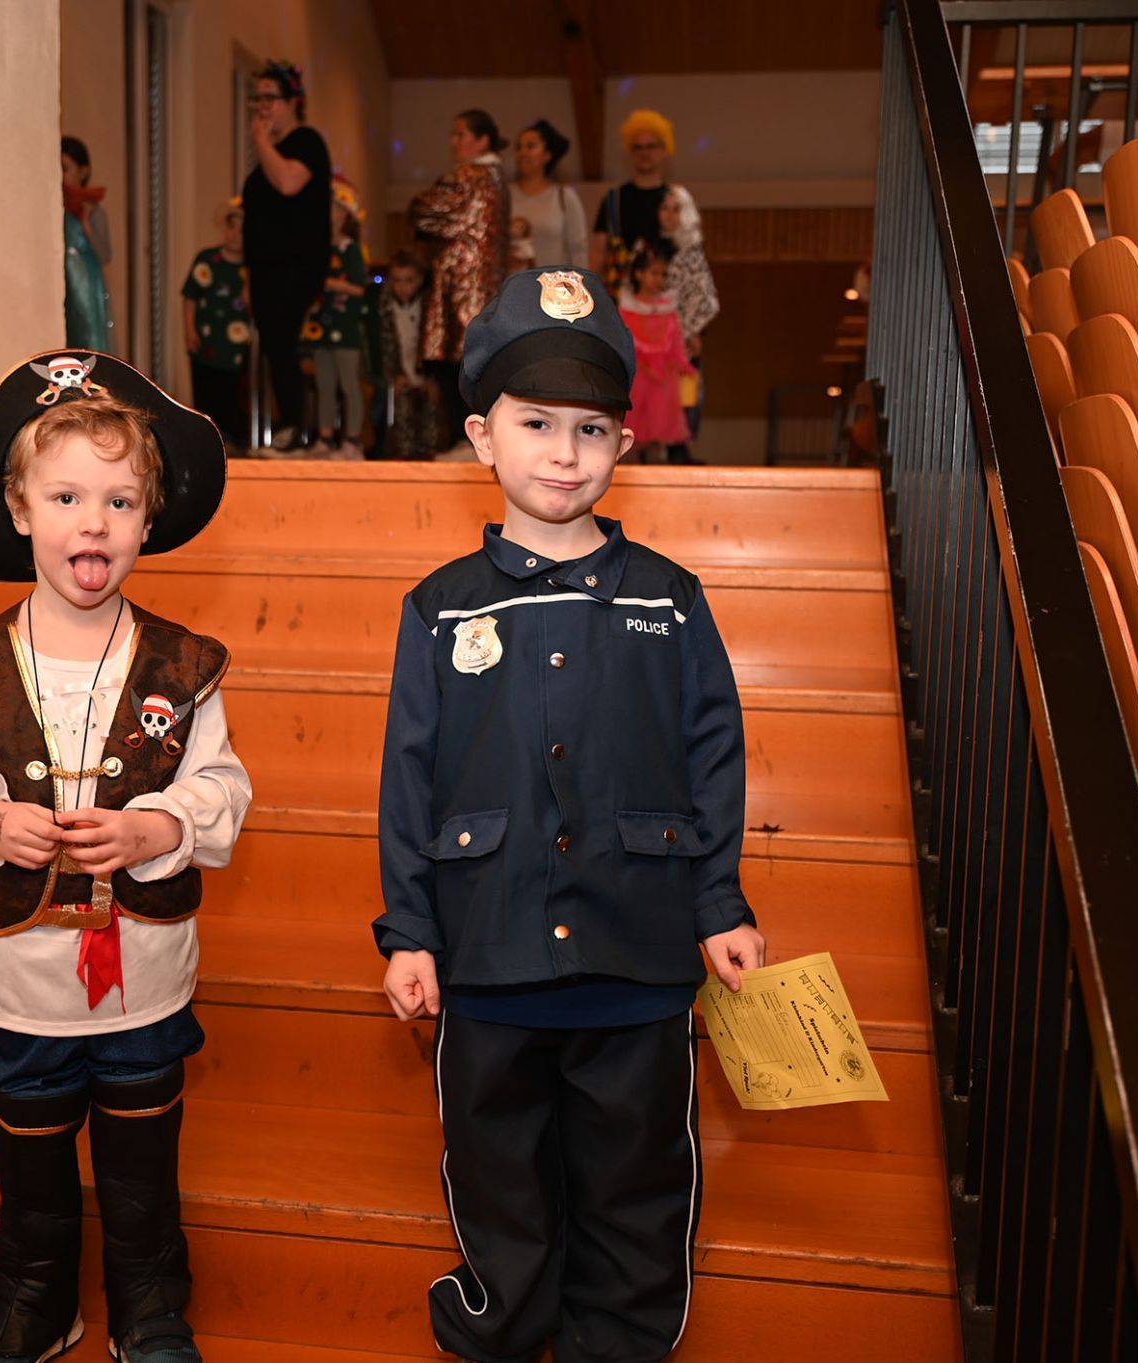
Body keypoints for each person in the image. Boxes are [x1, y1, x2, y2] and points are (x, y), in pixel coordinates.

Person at [373, 266, 765, 1362]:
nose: (561, 451)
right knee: (497, 1176)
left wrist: (717, 901)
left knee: (634, 1177)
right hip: (488, 952)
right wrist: (407, 928)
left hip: (634, 952)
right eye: (534, 423)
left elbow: (710, 754)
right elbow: (408, 778)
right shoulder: (440, 608)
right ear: (479, 436)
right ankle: (504, 1328)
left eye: (589, 428)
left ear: (623, 444)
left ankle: (620, 1341)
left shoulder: (667, 597)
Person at [0, 350, 252, 1363]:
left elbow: (221, 785)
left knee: (142, 1135)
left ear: (150, 519)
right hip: (21, 973)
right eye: (64, 496)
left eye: (118, 499)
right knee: (30, 1132)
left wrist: (159, 827)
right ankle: (32, 1290)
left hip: (141, 971)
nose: (90, 522)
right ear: (20, 509)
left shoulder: (183, 666)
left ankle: (148, 1292)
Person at [241, 60, 332, 452]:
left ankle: (297, 428)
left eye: (270, 98)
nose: (262, 106)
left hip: (296, 265)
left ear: (293, 101)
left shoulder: (307, 141)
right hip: (264, 268)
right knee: (275, 346)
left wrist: (260, 141)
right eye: (256, 98)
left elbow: (289, 183)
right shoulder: (270, 153)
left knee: (282, 340)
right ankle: (288, 426)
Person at [411, 107, 508, 451]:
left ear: (482, 140)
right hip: (484, 290)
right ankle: (472, 441)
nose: (453, 142)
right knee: (474, 364)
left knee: (457, 367)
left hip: (460, 289)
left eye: (460, 135)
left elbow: (423, 211)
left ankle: (462, 440)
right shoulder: (497, 179)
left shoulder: (470, 176)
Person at [306, 175, 370, 459]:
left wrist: (330, 285)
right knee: (325, 384)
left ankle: (353, 439)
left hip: (345, 330)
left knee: (348, 384)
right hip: (321, 327)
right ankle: (325, 437)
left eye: (331, 207)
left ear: (344, 214)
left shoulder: (351, 250)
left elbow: (359, 287)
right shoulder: (320, 249)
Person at [182, 199, 253, 451]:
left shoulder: (251, 268)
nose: (235, 235)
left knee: (232, 395)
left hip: (235, 346)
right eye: (231, 227)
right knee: (205, 392)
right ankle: (208, 442)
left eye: (242, 230)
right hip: (206, 339)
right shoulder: (207, 259)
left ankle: (233, 440)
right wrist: (189, 330)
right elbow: (190, 296)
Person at [619, 240, 696, 465]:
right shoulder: (627, 307)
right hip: (638, 379)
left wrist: (683, 365)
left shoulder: (668, 308)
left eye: (663, 275)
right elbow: (624, 343)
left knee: (659, 440)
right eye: (654, 273)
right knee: (632, 438)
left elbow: (676, 342)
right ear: (639, 274)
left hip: (663, 380)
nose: (659, 279)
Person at [657, 185, 718, 439]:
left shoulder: (692, 253)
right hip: (652, 335)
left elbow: (702, 294)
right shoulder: (649, 247)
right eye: (665, 209)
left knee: (685, 393)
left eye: (676, 209)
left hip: (682, 335)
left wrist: (693, 330)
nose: (670, 216)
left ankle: (678, 445)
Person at [592, 109, 674, 294]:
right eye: (638, 147)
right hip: (621, 299)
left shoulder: (675, 199)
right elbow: (598, 251)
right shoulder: (614, 199)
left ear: (664, 150)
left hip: (664, 301)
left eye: (651, 146)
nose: (644, 153)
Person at [374, 249, 442, 460]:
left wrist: (432, 376)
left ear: (420, 280)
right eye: (397, 280)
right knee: (401, 420)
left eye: (409, 280)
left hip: (425, 372)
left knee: (430, 423)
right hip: (400, 373)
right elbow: (385, 345)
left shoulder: (430, 306)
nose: (402, 287)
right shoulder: (386, 307)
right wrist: (394, 373)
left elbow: (435, 343)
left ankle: (430, 460)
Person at [507, 119, 588, 271]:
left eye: (530, 146)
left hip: (555, 290)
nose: (523, 153)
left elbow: (578, 250)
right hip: (514, 289)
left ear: (547, 155)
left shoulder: (564, 197)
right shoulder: (505, 196)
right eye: (519, 147)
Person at [62, 135, 114, 268]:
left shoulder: (94, 212)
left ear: (83, 172)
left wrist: (86, 226)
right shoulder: (57, 209)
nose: (60, 176)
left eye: (64, 169)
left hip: (87, 284)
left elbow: (105, 256)